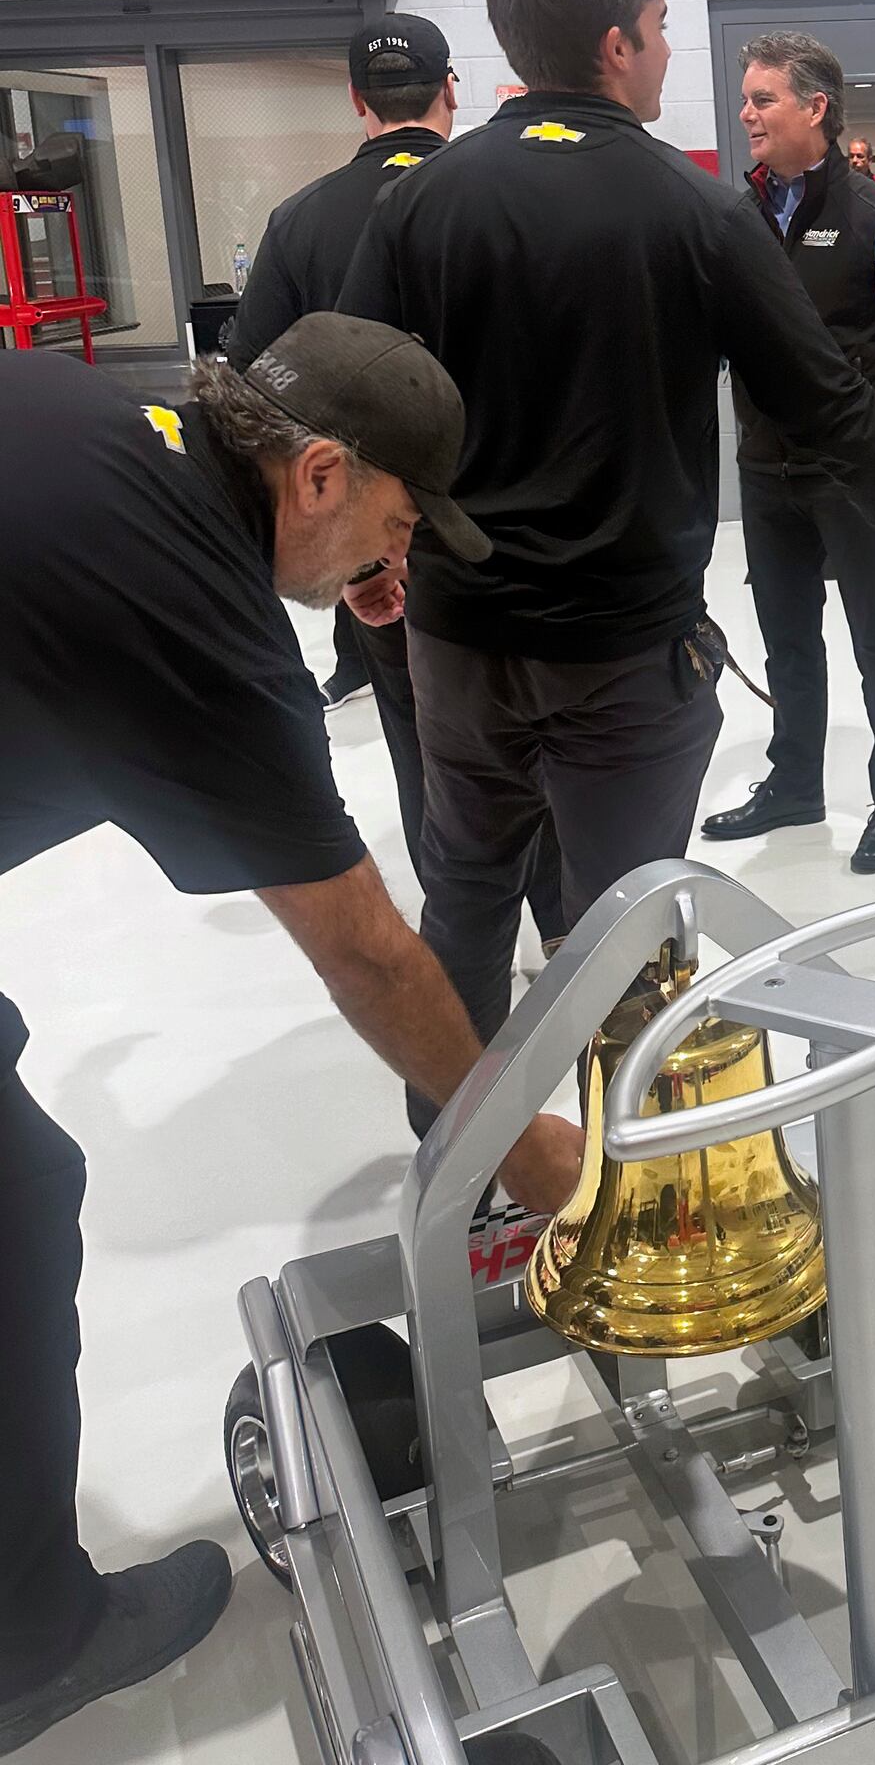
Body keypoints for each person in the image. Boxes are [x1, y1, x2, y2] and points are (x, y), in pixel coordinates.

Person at [0, 316, 582, 1755]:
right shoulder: (192, 608)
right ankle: (29, 1642)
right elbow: (370, 952)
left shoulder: (107, 421)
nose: (402, 564)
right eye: (394, 523)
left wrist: (328, 581)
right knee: (16, 1206)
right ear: (317, 473)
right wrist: (524, 1145)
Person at [339, 0, 875, 1120]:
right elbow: (827, 403)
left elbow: (354, 398)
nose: (673, 51)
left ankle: (463, 1168)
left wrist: (371, 556)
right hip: (620, 654)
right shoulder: (691, 210)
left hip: (460, 642)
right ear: (619, 43)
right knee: (618, 923)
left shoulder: (425, 204)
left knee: (466, 894)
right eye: (667, 27)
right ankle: (634, 1199)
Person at [227, 13, 565, 940]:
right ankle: (572, 938)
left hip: (379, 546)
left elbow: (254, 398)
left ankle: (464, 932)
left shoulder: (300, 222)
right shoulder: (508, 199)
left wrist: (355, 559)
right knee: (537, 732)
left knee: (426, 740)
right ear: (450, 88)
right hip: (518, 534)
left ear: (356, 101)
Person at [701, 34, 875, 873]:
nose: (747, 114)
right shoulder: (739, 218)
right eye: (745, 99)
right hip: (767, 469)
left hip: (859, 473)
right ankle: (795, 783)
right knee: (787, 638)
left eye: (764, 99)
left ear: (816, 108)